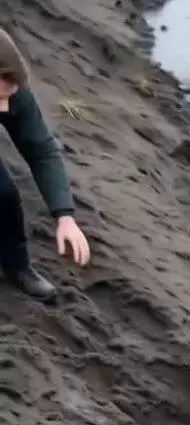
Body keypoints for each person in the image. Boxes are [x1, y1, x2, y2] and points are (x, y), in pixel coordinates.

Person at [0, 28, 90, 304]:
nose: (4, 109)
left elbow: (42, 151)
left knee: (4, 195)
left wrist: (65, 216)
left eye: (8, 96)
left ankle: (18, 268)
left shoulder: (15, 95)